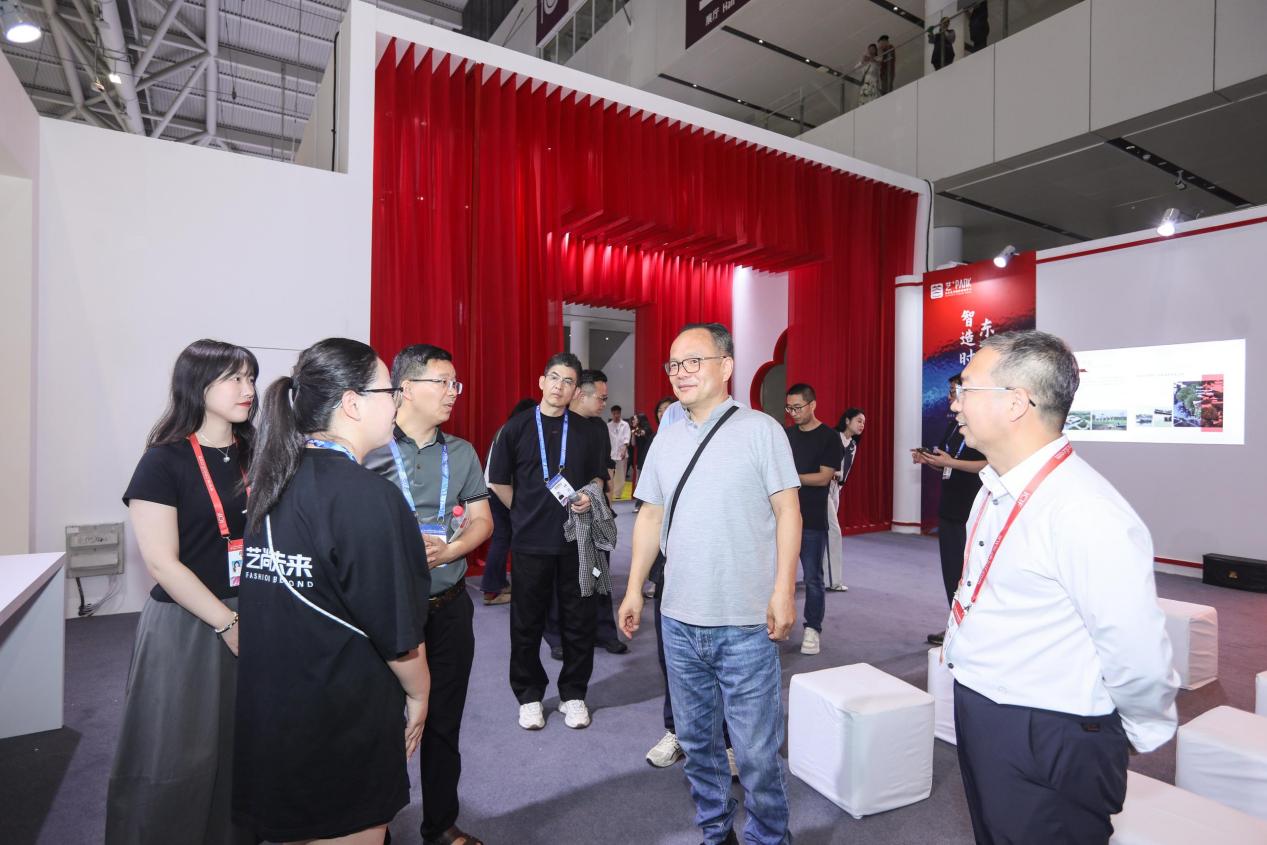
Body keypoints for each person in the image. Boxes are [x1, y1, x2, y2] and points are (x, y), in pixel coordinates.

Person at [945, 330, 1179, 844]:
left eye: (966, 388)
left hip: (1048, 729)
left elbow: (1135, 648)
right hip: (986, 708)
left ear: (1015, 403)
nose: (955, 402)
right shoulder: (993, 489)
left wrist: (1136, 730)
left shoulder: (1085, 510)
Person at [233, 338, 431, 844]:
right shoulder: (370, 498)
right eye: (389, 390)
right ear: (351, 403)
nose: (397, 401)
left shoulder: (272, 480)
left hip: (274, 707)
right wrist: (420, 693)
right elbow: (398, 630)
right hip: (340, 716)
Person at [619, 323, 801, 845]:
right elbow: (650, 516)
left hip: (745, 620)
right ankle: (716, 832)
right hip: (678, 619)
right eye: (674, 364)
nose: (681, 373)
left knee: (756, 751)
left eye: (693, 361)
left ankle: (768, 837)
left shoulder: (761, 429)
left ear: (726, 366)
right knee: (698, 745)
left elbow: (788, 511)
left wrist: (783, 590)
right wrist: (633, 589)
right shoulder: (666, 436)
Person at [106, 339, 258, 845]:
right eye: (234, 378)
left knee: (244, 743)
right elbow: (161, 562)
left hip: (256, 614)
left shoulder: (258, 453)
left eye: (250, 378)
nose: (247, 389)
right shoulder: (163, 461)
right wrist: (227, 622)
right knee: (178, 753)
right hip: (189, 625)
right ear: (198, 385)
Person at [365, 344, 492, 845]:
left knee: (444, 721)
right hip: (382, 611)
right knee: (379, 721)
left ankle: (440, 826)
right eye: (442, 382)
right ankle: (373, 828)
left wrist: (451, 550)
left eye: (455, 383)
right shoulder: (369, 448)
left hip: (448, 607)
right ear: (405, 388)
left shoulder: (460, 452)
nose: (453, 392)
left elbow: (482, 519)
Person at [488, 352, 609, 730]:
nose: (559, 386)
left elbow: (599, 477)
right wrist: (524, 512)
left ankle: (574, 694)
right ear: (542, 382)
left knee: (579, 621)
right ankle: (529, 696)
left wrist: (591, 493)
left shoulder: (589, 431)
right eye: (554, 378)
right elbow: (498, 481)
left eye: (568, 381)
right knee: (526, 623)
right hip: (530, 543)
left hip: (578, 541)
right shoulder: (516, 428)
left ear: (576, 391)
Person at [543, 369, 628, 657]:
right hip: (560, 514)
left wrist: (599, 499)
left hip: (594, 511)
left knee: (598, 573)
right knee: (562, 578)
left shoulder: (599, 428)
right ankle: (557, 635)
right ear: (581, 394)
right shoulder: (556, 424)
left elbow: (604, 470)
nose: (604, 404)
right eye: (601, 398)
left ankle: (603, 631)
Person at [914, 374, 987, 646]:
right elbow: (948, 462)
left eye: (953, 391)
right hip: (949, 507)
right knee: (951, 573)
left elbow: (988, 464)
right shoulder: (954, 425)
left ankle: (973, 631)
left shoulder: (983, 426)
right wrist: (930, 460)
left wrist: (951, 463)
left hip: (971, 508)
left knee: (969, 574)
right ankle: (954, 625)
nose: (948, 397)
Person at [784, 383, 844, 656]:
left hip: (811, 518)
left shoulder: (829, 438)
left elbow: (823, 478)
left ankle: (813, 628)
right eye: (789, 408)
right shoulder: (786, 435)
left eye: (798, 407)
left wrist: (790, 478)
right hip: (783, 518)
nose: (793, 413)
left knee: (812, 577)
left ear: (813, 405)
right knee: (779, 574)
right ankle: (779, 619)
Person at [481, 398, 536, 605]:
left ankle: (498, 584)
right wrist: (517, 505)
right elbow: (500, 477)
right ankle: (492, 589)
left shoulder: (505, 429)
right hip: (498, 492)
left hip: (495, 490)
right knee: (502, 538)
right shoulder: (512, 432)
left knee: (503, 538)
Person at [823, 407, 865, 593]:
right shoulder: (832, 437)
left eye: (864, 422)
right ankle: (834, 581)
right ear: (847, 420)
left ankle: (820, 576)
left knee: (824, 532)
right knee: (834, 531)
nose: (862, 425)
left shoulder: (853, 445)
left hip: (836, 490)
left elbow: (845, 472)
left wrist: (838, 488)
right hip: (822, 487)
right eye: (859, 421)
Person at [607, 404, 631, 501]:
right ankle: (610, 492)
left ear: (620, 413)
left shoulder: (625, 425)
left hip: (622, 453)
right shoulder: (608, 425)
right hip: (611, 454)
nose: (616, 415)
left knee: (621, 475)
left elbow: (627, 438)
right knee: (609, 475)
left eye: (618, 413)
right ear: (612, 414)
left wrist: (624, 450)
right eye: (614, 413)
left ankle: (618, 494)